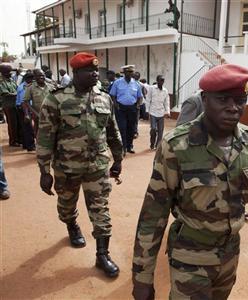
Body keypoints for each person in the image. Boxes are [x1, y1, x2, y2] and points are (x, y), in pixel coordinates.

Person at [132, 64, 248, 299]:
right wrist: (142, 277)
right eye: (223, 99)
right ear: (205, 99)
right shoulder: (177, 146)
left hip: (229, 255)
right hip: (190, 257)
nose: (233, 108)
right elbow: (153, 214)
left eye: (240, 100)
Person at [36, 52, 123, 278]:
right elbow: (45, 137)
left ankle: (102, 255)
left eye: (97, 70)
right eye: (89, 71)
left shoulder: (104, 98)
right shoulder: (56, 99)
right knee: (66, 207)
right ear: (76, 73)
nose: (95, 74)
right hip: (67, 169)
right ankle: (71, 224)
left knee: (101, 210)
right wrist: (44, 171)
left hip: (97, 166)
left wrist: (118, 159)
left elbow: (112, 131)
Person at [109, 65, 143, 154]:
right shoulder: (117, 83)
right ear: (124, 73)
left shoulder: (136, 84)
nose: (130, 74)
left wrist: (138, 105)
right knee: (122, 128)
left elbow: (140, 96)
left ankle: (129, 146)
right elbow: (112, 95)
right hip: (121, 108)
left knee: (131, 128)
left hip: (132, 108)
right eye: (128, 72)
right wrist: (116, 105)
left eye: (131, 72)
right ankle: (123, 147)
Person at [23, 69, 53, 139]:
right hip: (38, 115)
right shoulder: (30, 87)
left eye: (43, 75)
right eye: (39, 76)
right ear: (35, 77)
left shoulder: (50, 86)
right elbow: (26, 102)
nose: (41, 77)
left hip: (51, 114)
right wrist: (34, 113)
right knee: (39, 133)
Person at [0, 63, 21, 147]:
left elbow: (17, 88)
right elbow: (5, 93)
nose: (11, 73)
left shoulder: (11, 80)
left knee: (18, 123)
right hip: (8, 106)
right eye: (9, 71)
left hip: (15, 104)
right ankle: (13, 141)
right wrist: (17, 94)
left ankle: (18, 139)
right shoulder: (2, 82)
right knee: (12, 124)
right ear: (4, 72)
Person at [147, 75, 170, 150]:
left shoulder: (165, 90)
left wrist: (168, 111)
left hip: (161, 113)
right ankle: (152, 143)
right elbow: (148, 99)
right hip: (153, 112)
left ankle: (158, 146)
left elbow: (167, 102)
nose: (162, 82)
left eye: (163, 80)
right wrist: (147, 111)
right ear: (157, 81)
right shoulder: (152, 88)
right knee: (153, 129)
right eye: (160, 80)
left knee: (160, 131)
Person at [16, 73, 35, 151]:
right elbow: (24, 102)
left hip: (24, 108)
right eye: (31, 79)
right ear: (27, 79)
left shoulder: (25, 86)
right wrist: (26, 114)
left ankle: (25, 144)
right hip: (24, 109)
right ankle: (30, 146)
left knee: (24, 127)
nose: (32, 80)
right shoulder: (24, 87)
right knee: (28, 128)